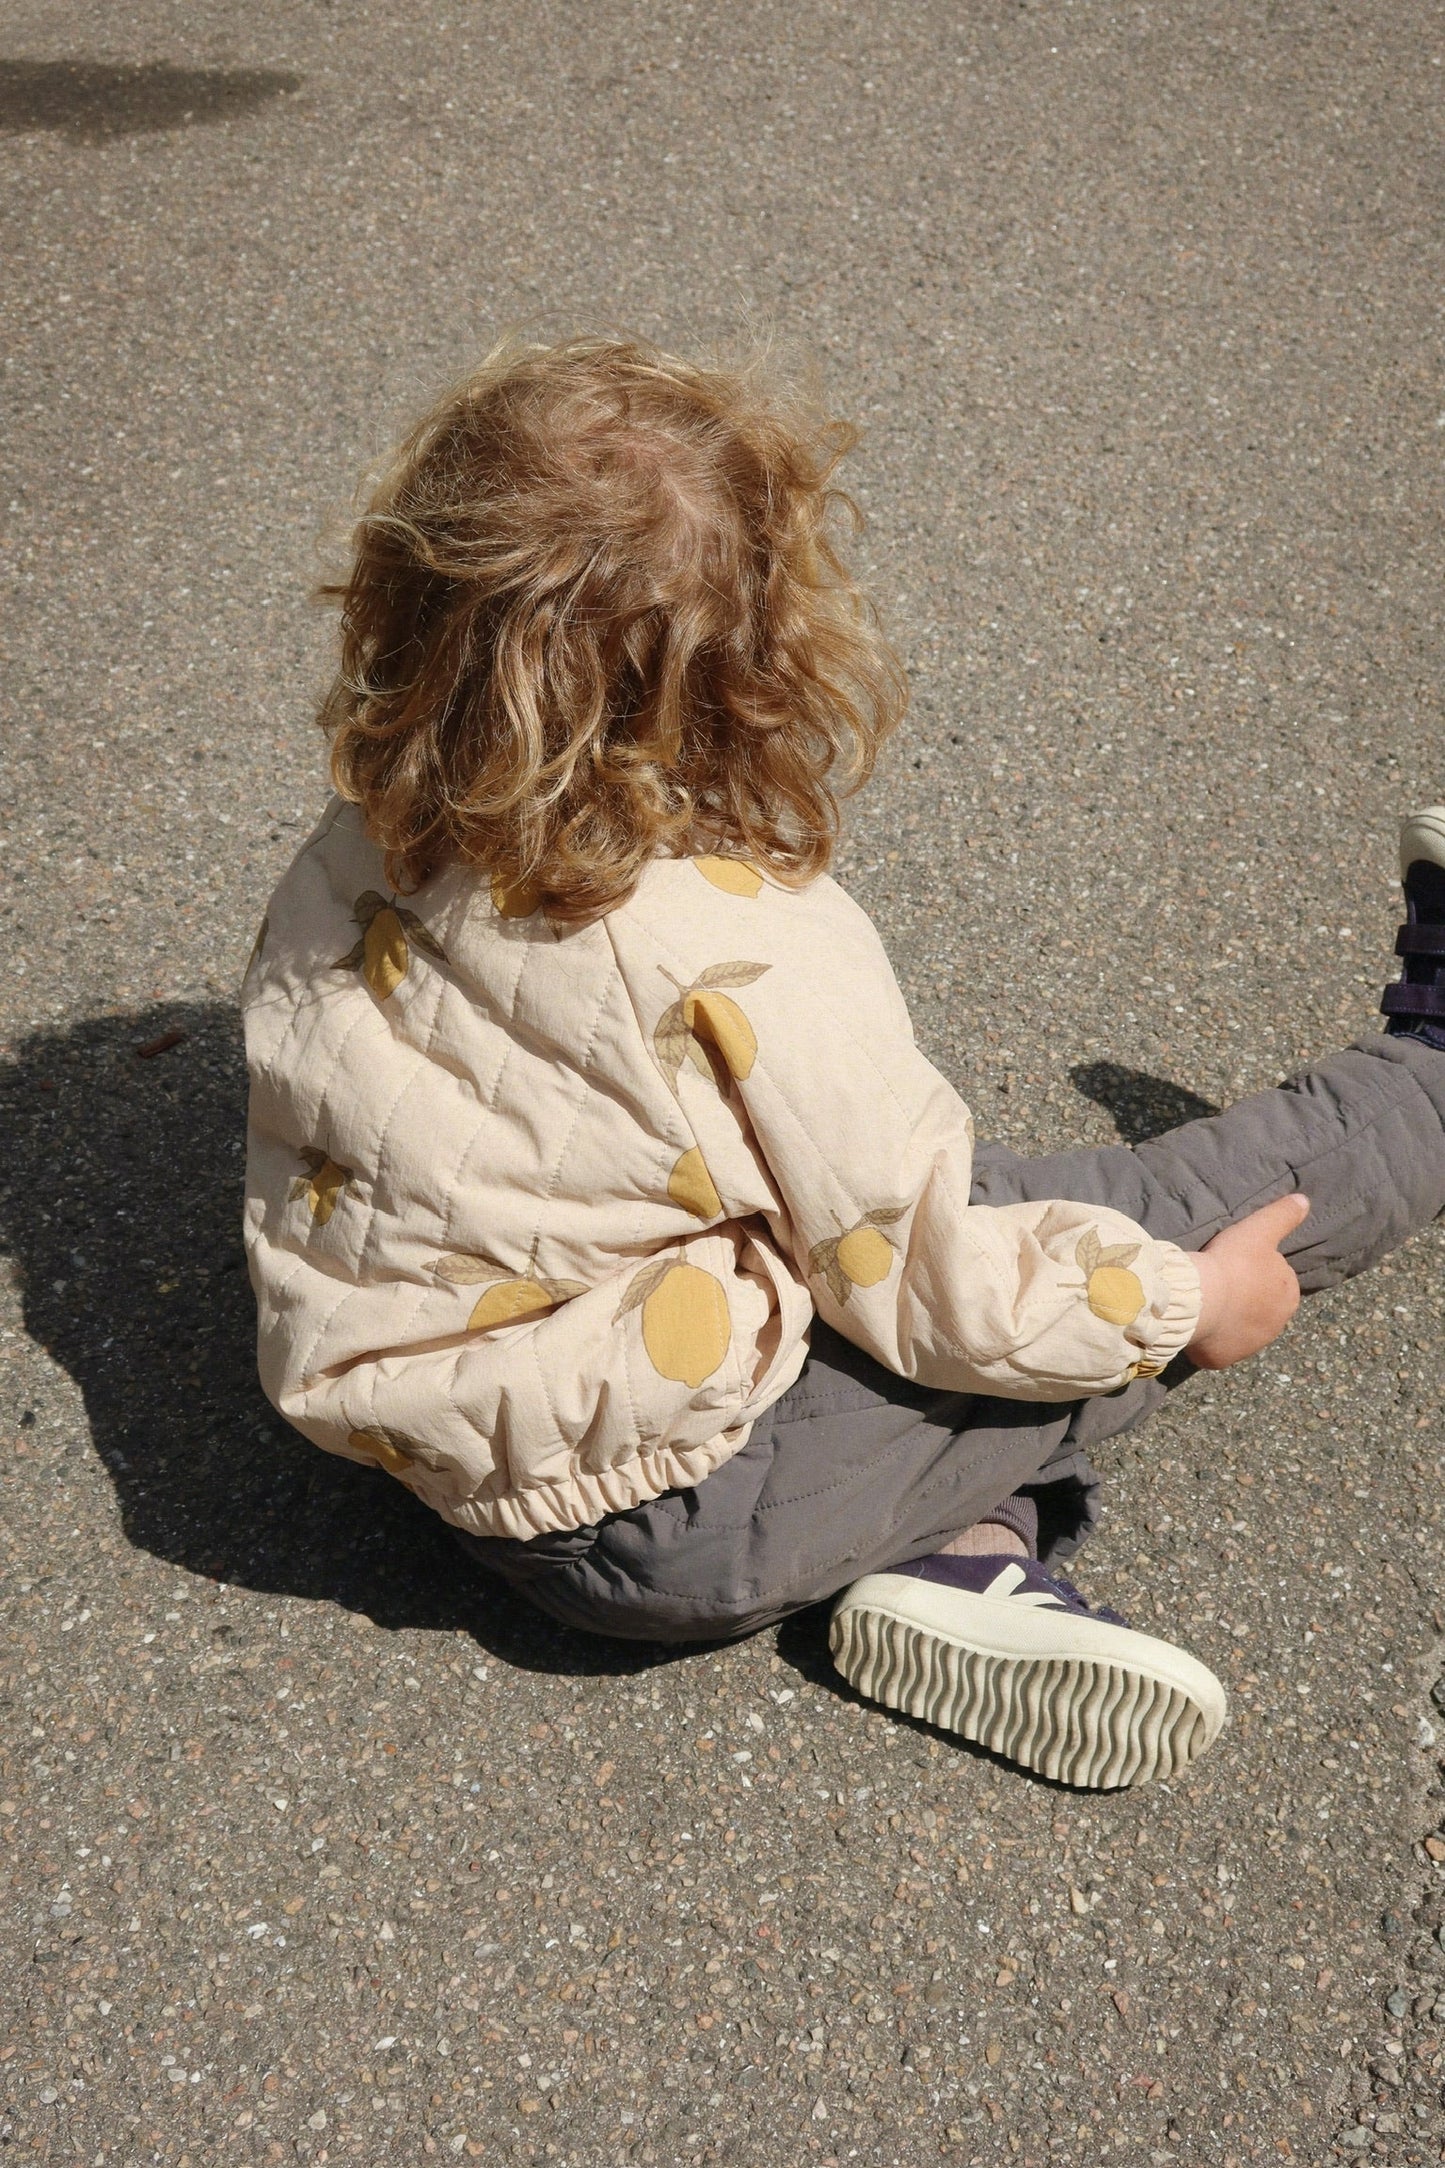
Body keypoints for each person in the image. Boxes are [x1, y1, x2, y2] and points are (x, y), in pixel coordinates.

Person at [241, 338, 1445, 1789]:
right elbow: (924, 1275)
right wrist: (1193, 1308)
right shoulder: (734, 945)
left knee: (947, 1249)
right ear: (762, 651)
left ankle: (962, 1563)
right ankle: (1431, 1061)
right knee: (1130, 1219)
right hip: (667, 1511)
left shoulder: (371, 819)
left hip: (435, 1429)